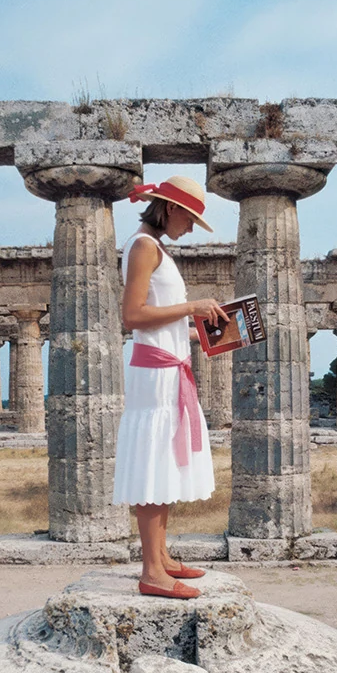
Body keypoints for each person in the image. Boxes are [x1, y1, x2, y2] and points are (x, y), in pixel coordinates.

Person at [110, 178, 228, 597]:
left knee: (164, 461)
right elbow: (133, 316)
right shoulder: (144, 246)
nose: (192, 228)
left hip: (167, 366)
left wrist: (204, 334)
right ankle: (151, 573)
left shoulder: (155, 247)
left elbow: (161, 321)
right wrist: (193, 307)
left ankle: (161, 558)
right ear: (171, 209)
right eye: (191, 218)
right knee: (154, 460)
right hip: (156, 373)